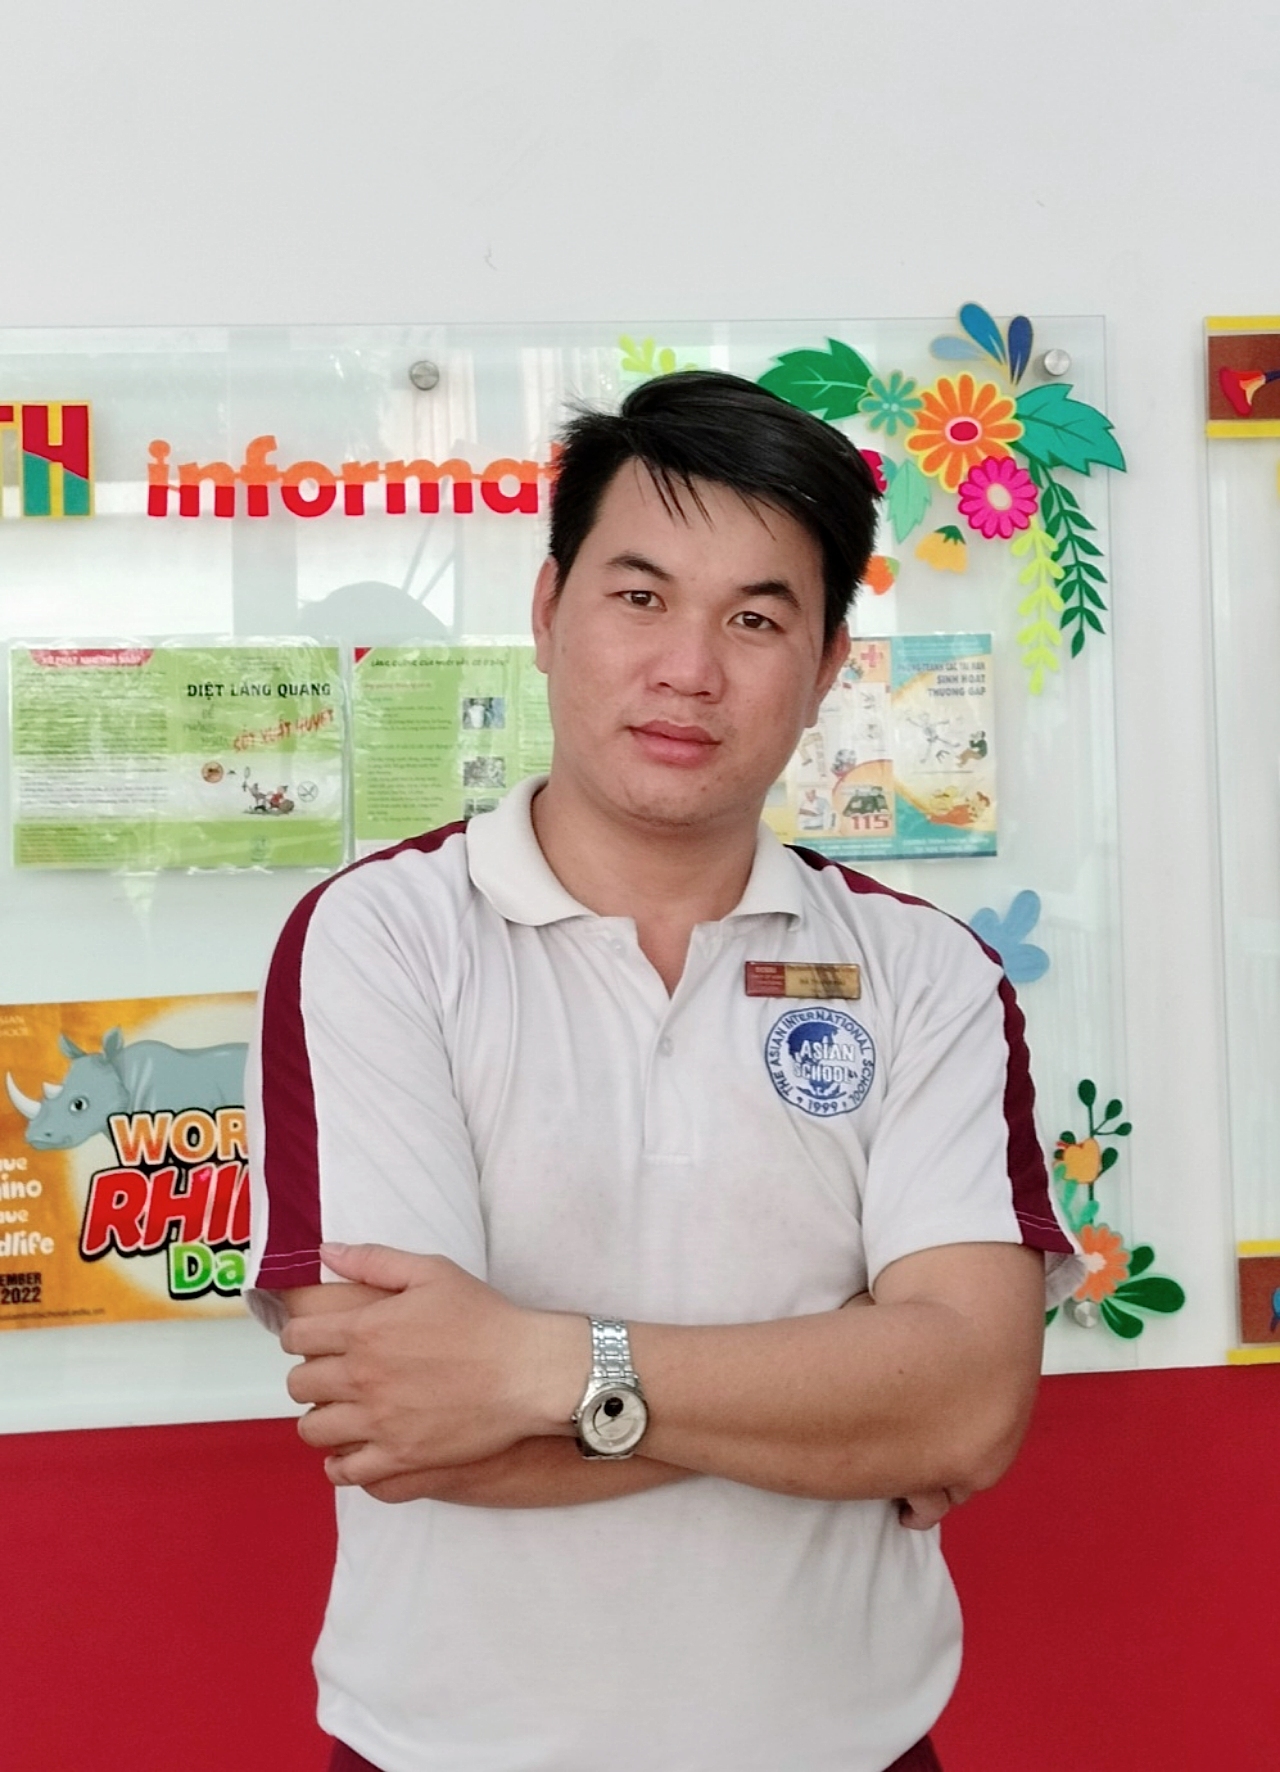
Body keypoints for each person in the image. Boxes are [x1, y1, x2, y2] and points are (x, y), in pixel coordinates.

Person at [245, 370, 1081, 1772]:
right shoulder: (381, 938)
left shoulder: (926, 972)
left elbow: (968, 1405)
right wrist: (848, 1395)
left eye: (756, 618)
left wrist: (533, 1363)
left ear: (826, 668)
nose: (690, 668)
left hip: (852, 1749)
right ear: (548, 610)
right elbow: (404, 1420)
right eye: (640, 597)